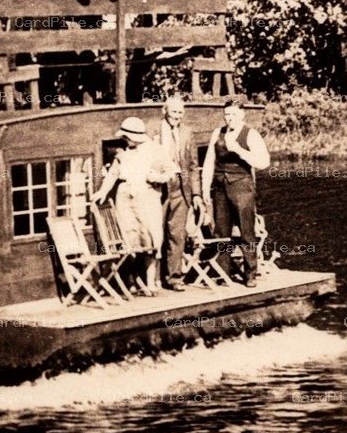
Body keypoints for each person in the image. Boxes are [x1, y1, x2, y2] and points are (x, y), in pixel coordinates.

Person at [92, 116, 172, 294]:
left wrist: (156, 178)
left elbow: (171, 171)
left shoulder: (156, 150)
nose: (124, 140)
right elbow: (113, 174)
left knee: (149, 238)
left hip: (147, 198)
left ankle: (150, 282)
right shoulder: (124, 153)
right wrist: (103, 191)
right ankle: (132, 282)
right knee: (129, 238)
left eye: (126, 137)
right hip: (125, 199)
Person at [200, 99, 271, 287]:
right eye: (227, 114)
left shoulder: (251, 134)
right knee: (221, 231)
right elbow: (209, 162)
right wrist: (205, 187)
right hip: (220, 187)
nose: (229, 118)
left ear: (242, 115)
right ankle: (224, 272)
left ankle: (250, 274)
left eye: (233, 114)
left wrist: (238, 149)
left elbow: (263, 162)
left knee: (246, 231)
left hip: (242, 187)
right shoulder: (218, 133)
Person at [149, 96, 203, 291]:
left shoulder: (187, 132)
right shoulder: (152, 130)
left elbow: (193, 165)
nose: (177, 117)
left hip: (181, 189)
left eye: (180, 113)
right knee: (155, 234)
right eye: (174, 112)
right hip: (158, 188)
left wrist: (196, 193)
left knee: (177, 234)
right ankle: (153, 279)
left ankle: (174, 278)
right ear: (165, 111)